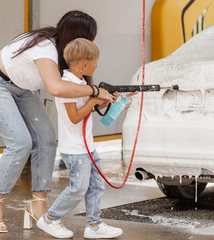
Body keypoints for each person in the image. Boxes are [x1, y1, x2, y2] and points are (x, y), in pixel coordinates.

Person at [0, 11, 114, 233]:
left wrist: (104, 97)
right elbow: (57, 88)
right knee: (20, 143)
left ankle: (37, 204)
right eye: (89, 37)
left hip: (23, 88)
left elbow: (76, 90)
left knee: (47, 139)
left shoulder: (66, 53)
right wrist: (96, 91)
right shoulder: (46, 48)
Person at [36, 38, 124, 239]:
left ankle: (94, 225)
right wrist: (94, 99)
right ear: (85, 64)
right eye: (95, 62)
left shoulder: (81, 82)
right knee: (78, 188)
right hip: (75, 149)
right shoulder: (67, 84)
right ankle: (49, 219)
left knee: (95, 186)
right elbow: (75, 117)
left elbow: (85, 110)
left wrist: (109, 102)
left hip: (87, 147)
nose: (96, 66)